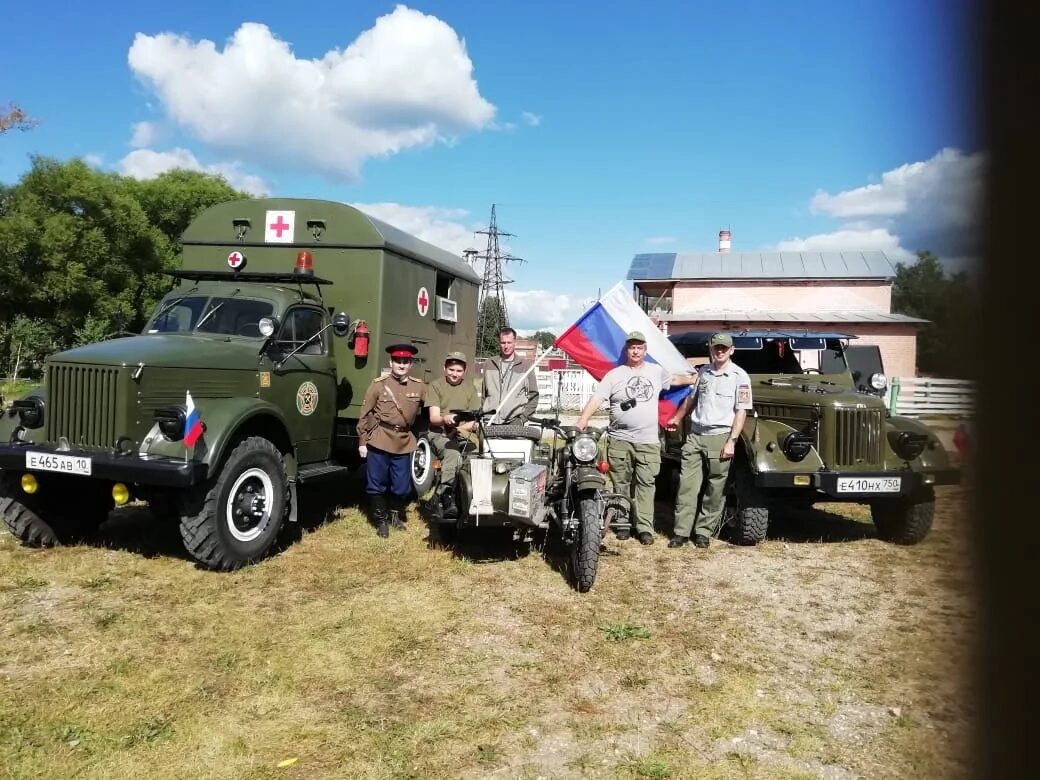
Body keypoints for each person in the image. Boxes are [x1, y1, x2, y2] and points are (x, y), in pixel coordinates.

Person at [575, 331, 673, 545]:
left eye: (639, 347)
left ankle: (644, 527)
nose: (635, 350)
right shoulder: (614, 374)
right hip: (620, 439)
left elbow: (676, 381)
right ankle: (622, 524)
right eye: (632, 347)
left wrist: (696, 375)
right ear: (627, 350)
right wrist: (583, 418)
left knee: (646, 484)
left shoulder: (657, 372)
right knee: (621, 483)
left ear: (645, 350)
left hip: (648, 441)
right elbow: (598, 397)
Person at [666, 332, 753, 549]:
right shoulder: (703, 373)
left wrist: (732, 440)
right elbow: (691, 399)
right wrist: (677, 417)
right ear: (711, 350)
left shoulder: (739, 376)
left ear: (732, 350)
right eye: (716, 348)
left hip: (720, 436)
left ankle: (703, 532)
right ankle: (681, 532)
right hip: (695, 435)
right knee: (687, 486)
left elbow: (741, 412)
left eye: (724, 348)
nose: (720, 351)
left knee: (715, 489)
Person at [357, 343, 427, 537]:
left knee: (402, 485)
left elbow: (431, 407)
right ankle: (381, 522)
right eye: (398, 361)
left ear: (411, 364)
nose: (401, 365)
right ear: (391, 362)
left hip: (403, 440)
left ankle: (395, 516)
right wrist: (362, 441)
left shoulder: (419, 386)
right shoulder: (379, 384)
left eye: (405, 361)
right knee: (376, 483)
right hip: (380, 438)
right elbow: (364, 414)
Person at [426, 351, 481, 518]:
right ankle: (446, 498)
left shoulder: (470, 387)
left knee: (477, 455)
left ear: (464, 371)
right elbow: (434, 418)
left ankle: (470, 495)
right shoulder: (436, 385)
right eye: (451, 370)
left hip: (464, 433)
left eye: (458, 371)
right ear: (444, 368)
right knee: (452, 453)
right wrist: (446, 419)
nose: (454, 374)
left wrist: (461, 427)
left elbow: (476, 420)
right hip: (440, 433)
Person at [481, 327, 540, 424]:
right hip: (490, 420)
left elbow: (533, 395)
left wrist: (522, 418)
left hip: (513, 421)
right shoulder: (489, 363)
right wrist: (484, 413)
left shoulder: (525, 366)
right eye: (503, 343)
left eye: (509, 342)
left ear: (515, 343)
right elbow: (484, 394)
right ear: (499, 343)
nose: (506, 346)